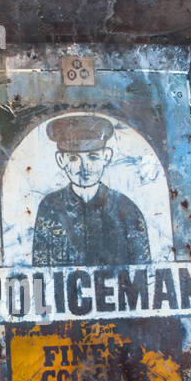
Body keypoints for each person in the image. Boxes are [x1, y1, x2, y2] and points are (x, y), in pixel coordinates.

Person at [30, 114, 151, 267]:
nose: (84, 167)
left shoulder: (126, 209)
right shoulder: (50, 207)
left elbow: (145, 271)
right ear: (61, 160)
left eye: (93, 157)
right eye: (74, 158)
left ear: (106, 157)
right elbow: (40, 270)